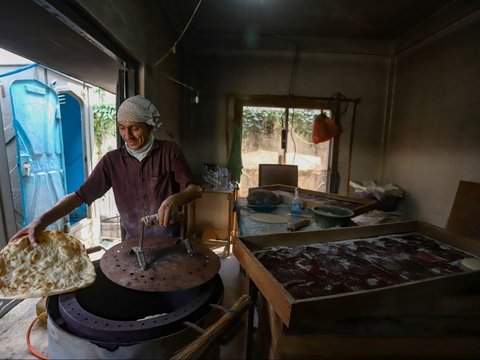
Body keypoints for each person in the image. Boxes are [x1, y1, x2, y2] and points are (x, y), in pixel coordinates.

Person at [10, 95, 202, 244]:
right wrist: (41, 221)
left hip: (170, 242)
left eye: (134, 128)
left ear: (150, 127)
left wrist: (175, 198)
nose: (127, 136)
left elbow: (195, 189)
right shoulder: (112, 161)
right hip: (134, 245)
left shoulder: (169, 152)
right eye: (122, 128)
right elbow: (79, 196)